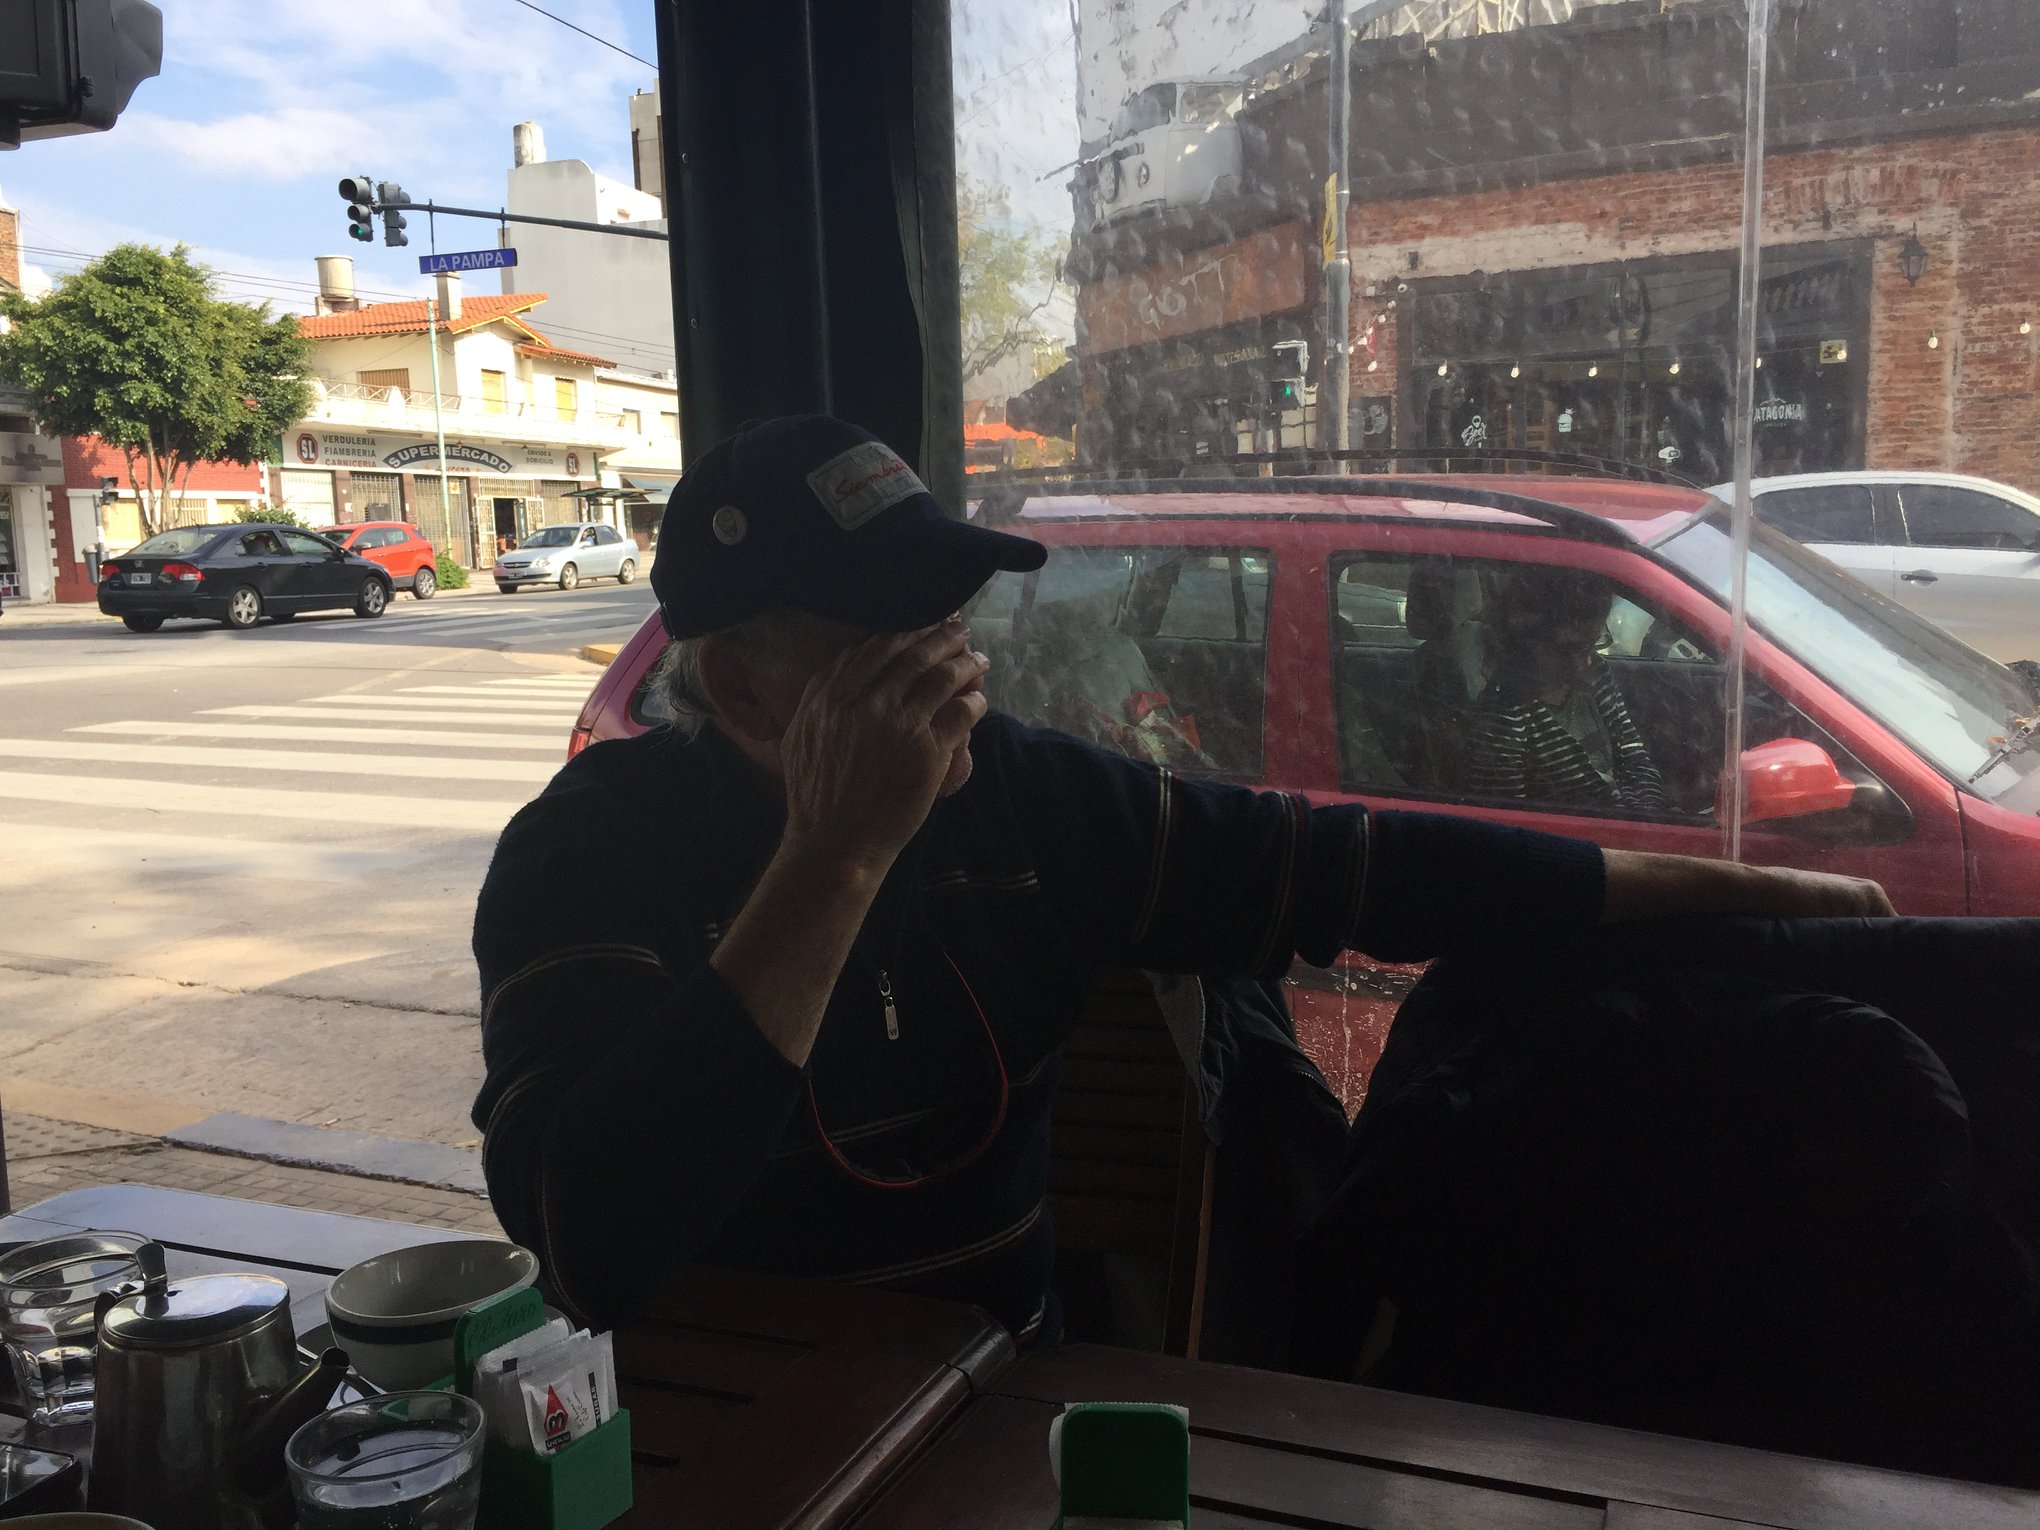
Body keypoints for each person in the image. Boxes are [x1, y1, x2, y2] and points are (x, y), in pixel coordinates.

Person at [470, 415, 1890, 1336]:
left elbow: (1343, 868)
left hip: (993, 1405)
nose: (958, 673)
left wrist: (1733, 890)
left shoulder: (1025, 797)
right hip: (716, 1429)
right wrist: (836, 856)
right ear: (743, 688)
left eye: (954, 623)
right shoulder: (585, 856)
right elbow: (593, 1246)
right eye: (897, 645)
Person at [1465, 566, 1669, 811]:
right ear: (1525, 643)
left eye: (1593, 643)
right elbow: (1507, 821)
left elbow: (1633, 755)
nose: (1588, 660)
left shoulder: (1596, 675)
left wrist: (1648, 815)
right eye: (1571, 649)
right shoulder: (1503, 722)